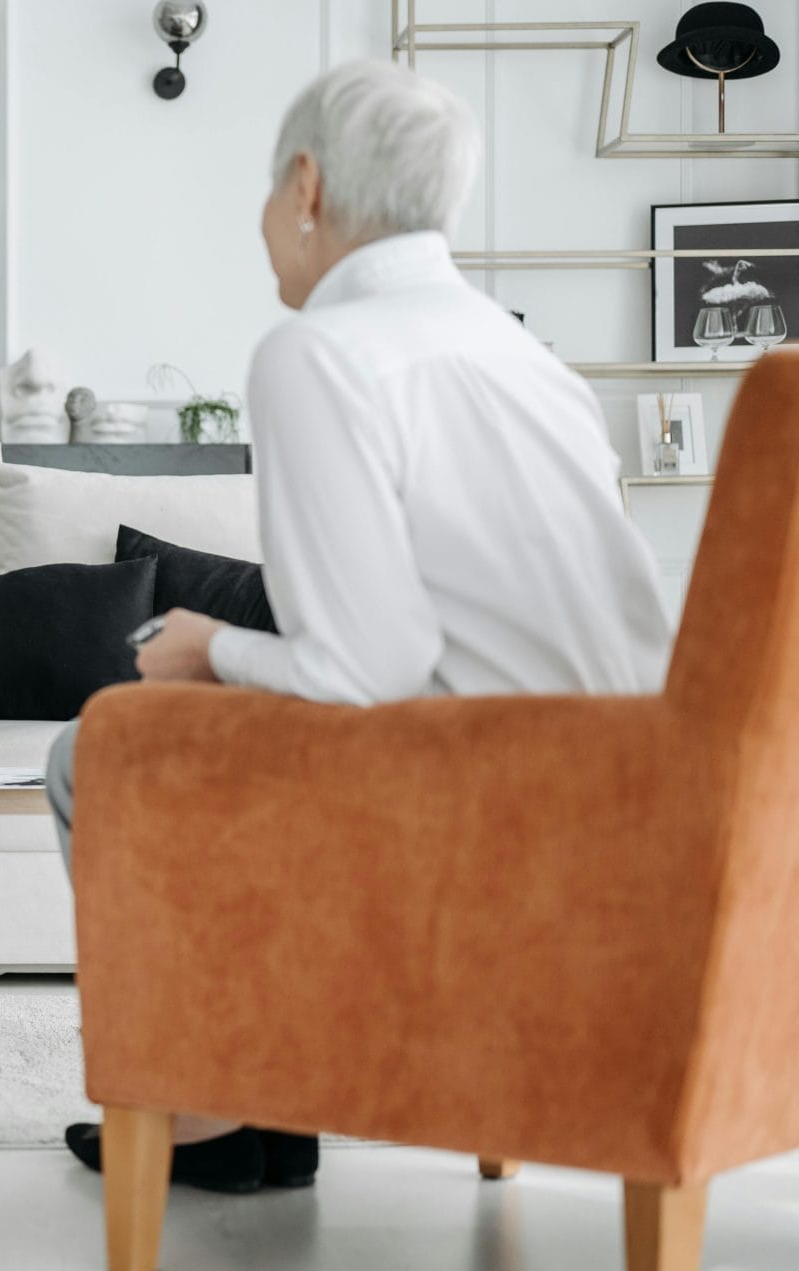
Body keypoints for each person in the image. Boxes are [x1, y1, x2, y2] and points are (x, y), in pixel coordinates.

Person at [52, 61, 674, 1191]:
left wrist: (204, 647)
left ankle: (215, 1113)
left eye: (262, 192)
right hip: (624, 812)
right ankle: (263, 1097)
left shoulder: (320, 352)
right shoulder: (533, 362)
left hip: (466, 819)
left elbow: (362, 670)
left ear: (305, 187)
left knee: (94, 751)